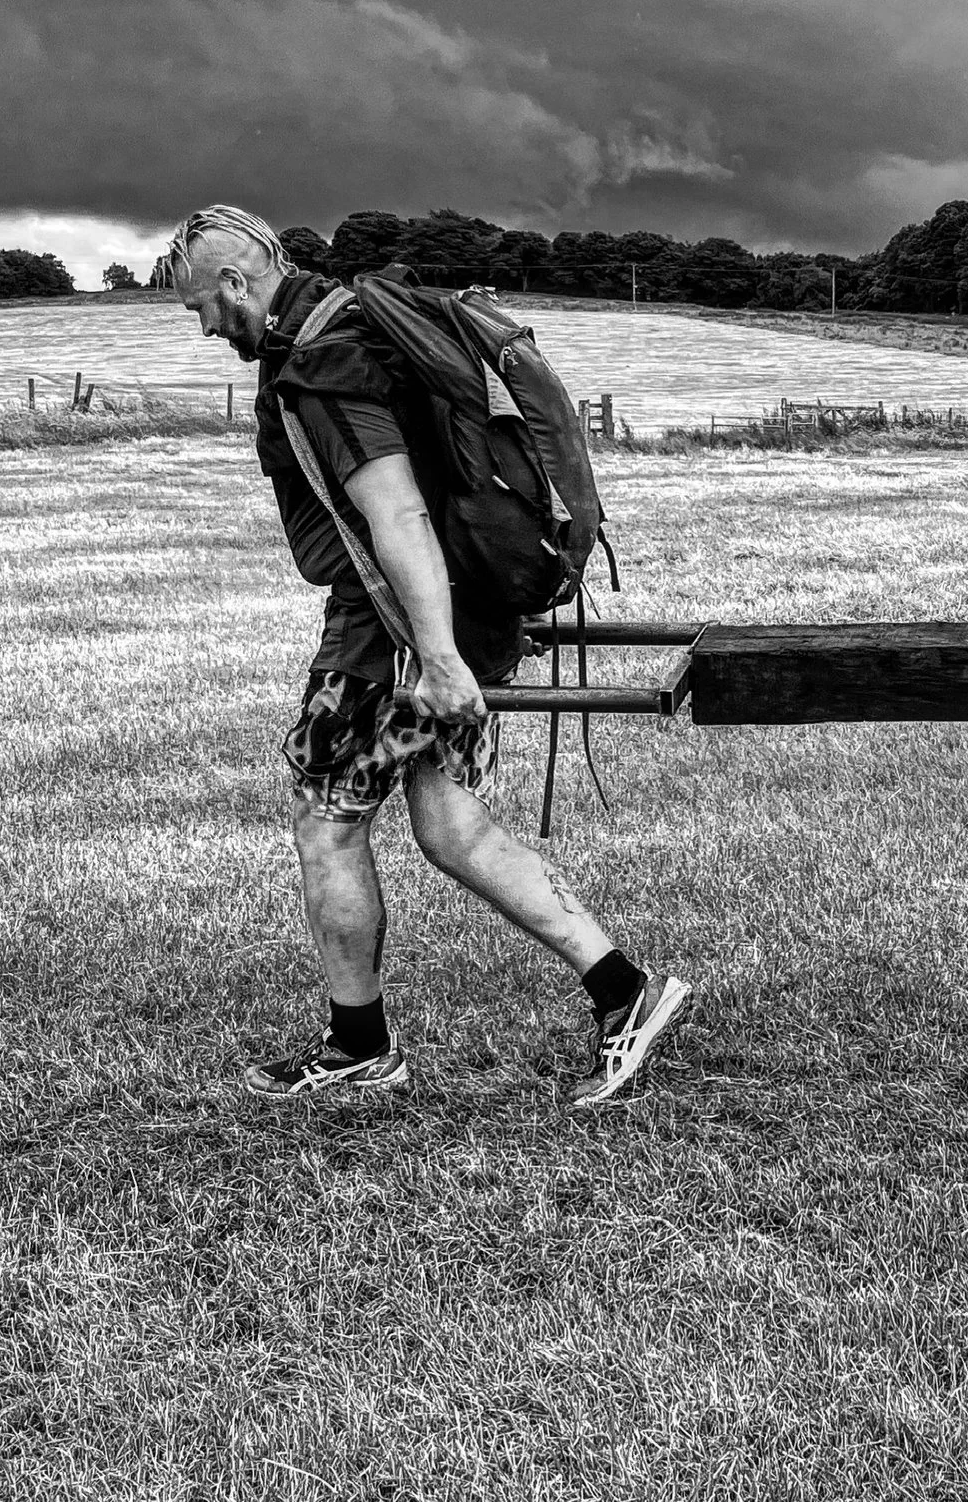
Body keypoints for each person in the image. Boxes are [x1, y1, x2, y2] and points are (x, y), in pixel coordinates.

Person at [163, 204, 690, 1108]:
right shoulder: (357, 326)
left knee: (327, 822)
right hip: (462, 616)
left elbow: (396, 510)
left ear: (234, 283)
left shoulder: (325, 362)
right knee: (450, 826)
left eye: (198, 308)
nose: (205, 328)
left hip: (394, 634)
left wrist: (437, 657)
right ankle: (624, 993)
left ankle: (359, 1045)